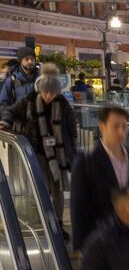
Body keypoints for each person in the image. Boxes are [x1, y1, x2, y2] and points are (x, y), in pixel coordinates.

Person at [1, 75, 76, 239]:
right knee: (42, 187)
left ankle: (58, 224)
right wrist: (5, 123)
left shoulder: (63, 104)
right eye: (45, 92)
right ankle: (45, 222)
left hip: (58, 153)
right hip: (38, 151)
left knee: (57, 189)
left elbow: (71, 130)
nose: (49, 96)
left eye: (52, 93)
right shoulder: (29, 102)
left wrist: (72, 153)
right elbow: (11, 111)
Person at [71, 104, 129, 250]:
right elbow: (78, 207)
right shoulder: (86, 162)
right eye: (116, 126)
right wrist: (80, 246)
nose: (121, 132)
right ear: (102, 126)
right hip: (102, 240)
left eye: (124, 126)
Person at [0, 45, 39, 114]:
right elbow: (3, 104)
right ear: (20, 61)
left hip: (38, 121)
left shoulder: (41, 78)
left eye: (32, 59)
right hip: (18, 121)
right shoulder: (11, 80)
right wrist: (8, 119)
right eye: (26, 59)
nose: (30, 61)